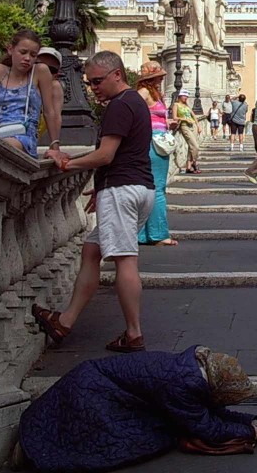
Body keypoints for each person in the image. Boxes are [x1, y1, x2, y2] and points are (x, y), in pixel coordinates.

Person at [15, 346, 257, 472]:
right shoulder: (182, 386)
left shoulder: (192, 372)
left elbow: (209, 413)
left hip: (99, 385)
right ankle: (29, 452)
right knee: (124, 442)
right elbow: (209, 426)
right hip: (92, 395)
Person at [38, 51, 156, 352]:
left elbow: (105, 155)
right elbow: (125, 153)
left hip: (123, 190)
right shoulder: (135, 102)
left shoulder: (119, 105)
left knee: (125, 259)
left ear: (117, 74)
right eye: (90, 83)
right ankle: (65, 322)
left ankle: (134, 334)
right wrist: (103, 187)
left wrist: (67, 163)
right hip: (136, 188)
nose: (93, 88)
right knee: (92, 250)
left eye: (97, 81)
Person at [0, 29, 61, 158]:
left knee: (5, 146)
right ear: (10, 49)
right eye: (23, 52)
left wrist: (55, 146)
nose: (27, 58)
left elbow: (49, 111)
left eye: (33, 55)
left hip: (24, 135)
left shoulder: (39, 72)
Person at [135, 62, 177, 247]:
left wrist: (167, 122)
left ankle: (143, 234)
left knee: (150, 187)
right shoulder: (144, 92)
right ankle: (158, 234)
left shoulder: (153, 93)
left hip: (157, 139)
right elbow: (134, 111)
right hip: (154, 142)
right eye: (158, 76)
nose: (161, 79)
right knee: (157, 188)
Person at [35, 47, 65, 144]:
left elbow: (56, 117)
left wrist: (54, 145)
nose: (44, 71)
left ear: (56, 74)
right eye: (40, 65)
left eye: (51, 69)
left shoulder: (54, 87)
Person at [172, 89, 201, 174]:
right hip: (184, 126)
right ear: (180, 96)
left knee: (191, 146)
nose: (186, 97)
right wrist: (184, 119)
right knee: (195, 146)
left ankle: (188, 166)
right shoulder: (176, 105)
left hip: (193, 126)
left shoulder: (187, 106)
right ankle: (195, 162)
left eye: (187, 96)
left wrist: (198, 126)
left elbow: (194, 116)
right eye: (184, 96)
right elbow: (174, 117)